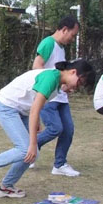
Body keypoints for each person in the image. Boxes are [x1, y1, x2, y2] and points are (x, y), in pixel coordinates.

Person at [0, 60, 95, 198]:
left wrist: (36, 124)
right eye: (79, 83)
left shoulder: (57, 83)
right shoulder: (51, 78)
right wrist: (32, 143)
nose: (76, 88)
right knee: (26, 149)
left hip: (21, 111)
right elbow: (34, 111)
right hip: (6, 107)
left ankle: (6, 187)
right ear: (73, 72)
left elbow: (35, 104)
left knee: (33, 154)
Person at [34, 16, 82, 177]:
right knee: (55, 128)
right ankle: (30, 148)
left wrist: (66, 86)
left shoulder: (61, 48)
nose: (72, 38)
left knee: (68, 130)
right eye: (73, 35)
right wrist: (46, 88)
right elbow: (37, 66)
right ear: (64, 30)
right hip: (48, 97)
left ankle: (59, 165)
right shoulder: (48, 43)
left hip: (61, 97)